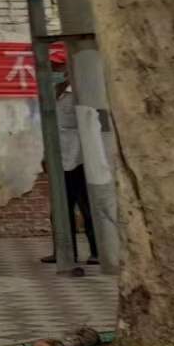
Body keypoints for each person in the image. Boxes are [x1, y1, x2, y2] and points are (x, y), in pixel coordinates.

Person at [43, 51, 100, 266]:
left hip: (79, 160)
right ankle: (64, 252)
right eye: (51, 66)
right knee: (60, 209)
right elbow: (51, 129)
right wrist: (46, 156)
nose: (53, 70)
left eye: (57, 66)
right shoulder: (51, 92)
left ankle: (97, 252)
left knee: (87, 207)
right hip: (59, 159)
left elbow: (90, 126)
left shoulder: (79, 94)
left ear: (67, 69)